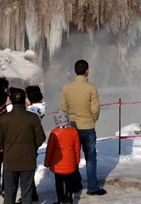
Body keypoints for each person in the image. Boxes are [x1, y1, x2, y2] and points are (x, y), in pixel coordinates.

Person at [60, 60, 106, 196]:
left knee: (73, 157)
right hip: (88, 127)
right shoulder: (92, 87)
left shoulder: (66, 87)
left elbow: (62, 108)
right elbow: (96, 107)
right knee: (91, 157)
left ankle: (75, 184)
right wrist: (93, 119)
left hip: (72, 127)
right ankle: (93, 187)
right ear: (87, 71)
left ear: (74, 71)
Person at [0, 88, 46, 204]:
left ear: (11, 100)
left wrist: (7, 147)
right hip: (28, 160)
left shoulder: (4, 119)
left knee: (9, 193)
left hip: (10, 160)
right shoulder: (33, 117)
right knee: (27, 193)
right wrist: (32, 148)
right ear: (24, 101)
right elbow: (41, 137)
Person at [45, 110, 81, 204]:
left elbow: (49, 150)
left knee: (59, 182)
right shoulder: (73, 131)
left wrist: (47, 162)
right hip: (70, 163)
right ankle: (69, 199)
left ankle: (60, 200)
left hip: (58, 164)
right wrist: (77, 161)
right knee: (69, 181)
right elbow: (77, 149)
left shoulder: (54, 132)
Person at [25, 85, 47, 202]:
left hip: (28, 144)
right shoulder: (39, 107)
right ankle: (31, 193)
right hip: (32, 144)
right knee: (29, 171)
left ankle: (30, 195)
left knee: (26, 172)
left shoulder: (32, 111)